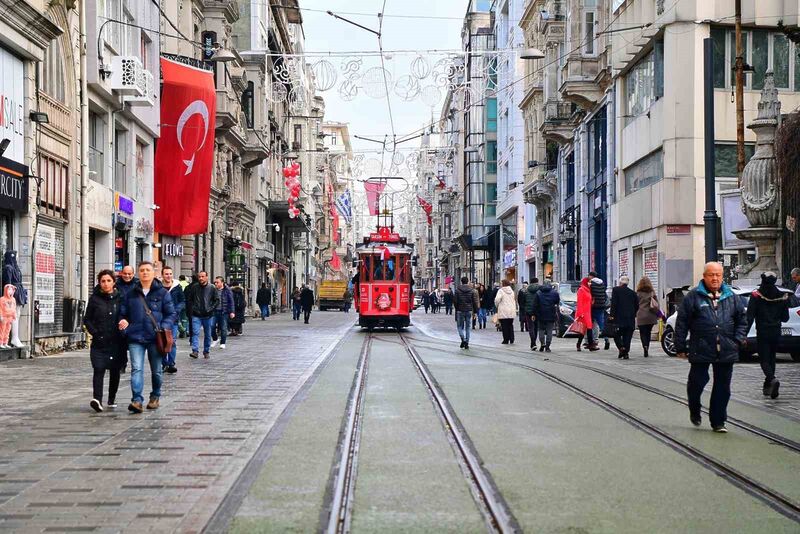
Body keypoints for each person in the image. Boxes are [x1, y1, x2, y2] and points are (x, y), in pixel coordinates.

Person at [675, 262, 747, 433]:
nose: (715, 278)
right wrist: (680, 346)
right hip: (701, 347)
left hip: (726, 348)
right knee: (696, 383)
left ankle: (718, 421)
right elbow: (682, 322)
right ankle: (694, 406)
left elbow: (742, 321)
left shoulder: (732, 296)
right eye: (711, 275)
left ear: (722, 276)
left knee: (723, 387)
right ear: (704, 276)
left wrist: (737, 340)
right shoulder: (693, 296)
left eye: (718, 275)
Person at [118, 261, 176, 413]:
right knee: (136, 368)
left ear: (153, 273)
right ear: (138, 273)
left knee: (156, 370)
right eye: (142, 270)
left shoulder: (162, 293)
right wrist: (123, 321)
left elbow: (171, 313)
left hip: (154, 337)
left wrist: (164, 326)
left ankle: (155, 396)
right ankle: (137, 400)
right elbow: (123, 312)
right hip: (135, 336)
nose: (144, 273)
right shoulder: (131, 294)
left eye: (148, 270)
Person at [83, 270, 124, 412]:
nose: (106, 284)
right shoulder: (95, 299)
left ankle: (111, 398)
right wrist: (94, 332)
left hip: (117, 341)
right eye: (103, 281)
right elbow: (87, 319)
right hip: (99, 341)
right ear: (99, 283)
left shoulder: (121, 298)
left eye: (108, 281)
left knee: (115, 371)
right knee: (98, 368)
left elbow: (126, 315)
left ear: (113, 282)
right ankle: (97, 399)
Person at [746, 272, 791, 399]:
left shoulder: (756, 296)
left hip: (762, 331)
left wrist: (744, 335)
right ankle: (768, 386)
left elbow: (749, 317)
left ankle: (772, 379)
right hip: (776, 331)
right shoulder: (782, 296)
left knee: (764, 359)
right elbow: (785, 318)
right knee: (772, 357)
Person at [188, 271, 218, 359]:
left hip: (208, 315)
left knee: (208, 334)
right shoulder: (194, 287)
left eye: (203, 276)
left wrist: (211, 309)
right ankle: (195, 351)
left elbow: (216, 300)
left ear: (207, 277)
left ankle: (206, 351)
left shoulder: (212, 287)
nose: (201, 278)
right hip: (196, 314)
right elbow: (190, 299)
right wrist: (192, 309)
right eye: (199, 277)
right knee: (195, 332)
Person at [161, 266, 184, 374]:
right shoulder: (158, 287)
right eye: (166, 274)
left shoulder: (177, 287)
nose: (168, 276)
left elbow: (182, 301)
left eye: (170, 273)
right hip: (160, 319)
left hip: (173, 319)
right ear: (162, 275)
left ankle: (171, 363)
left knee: (172, 341)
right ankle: (164, 363)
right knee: (161, 342)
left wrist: (177, 310)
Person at [610, 276, 638, 359]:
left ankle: (621, 347)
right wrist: (633, 314)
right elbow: (637, 305)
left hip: (619, 318)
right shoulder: (633, 293)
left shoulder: (616, 290)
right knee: (628, 336)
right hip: (630, 318)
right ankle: (626, 352)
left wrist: (612, 315)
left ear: (620, 282)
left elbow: (614, 304)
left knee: (616, 334)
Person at [531, 280, 560, 352]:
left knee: (541, 329)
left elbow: (535, 305)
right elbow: (557, 301)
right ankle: (547, 346)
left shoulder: (538, 293)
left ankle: (542, 343)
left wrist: (533, 314)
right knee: (549, 330)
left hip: (540, 314)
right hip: (551, 313)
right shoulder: (554, 292)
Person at [636, 276, 660, 358]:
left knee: (642, 333)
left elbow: (635, 304)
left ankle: (644, 346)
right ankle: (647, 347)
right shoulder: (652, 292)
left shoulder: (638, 293)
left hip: (641, 315)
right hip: (651, 315)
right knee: (648, 332)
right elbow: (656, 304)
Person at [453, 276, 480, 349]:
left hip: (460, 310)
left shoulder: (457, 290)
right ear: (467, 282)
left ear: (461, 282)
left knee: (459, 326)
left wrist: (457, 308)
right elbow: (474, 301)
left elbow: (455, 301)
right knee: (468, 327)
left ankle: (463, 339)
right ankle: (467, 342)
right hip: (469, 310)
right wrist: (475, 311)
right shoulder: (471, 290)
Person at [575, 277, 597, 351]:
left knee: (587, 328)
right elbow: (579, 302)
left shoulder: (588, 290)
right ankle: (585, 344)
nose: (590, 283)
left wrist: (592, 302)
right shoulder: (581, 290)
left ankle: (587, 344)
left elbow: (588, 301)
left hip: (588, 311)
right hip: (583, 312)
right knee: (585, 329)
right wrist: (580, 313)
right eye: (589, 282)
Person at [211, 277, 235, 348]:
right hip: (214, 311)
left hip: (224, 312)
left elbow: (231, 301)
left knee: (223, 328)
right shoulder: (213, 290)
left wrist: (232, 312)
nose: (215, 283)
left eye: (217, 282)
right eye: (215, 282)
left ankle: (223, 343)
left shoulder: (227, 290)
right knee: (211, 326)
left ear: (222, 283)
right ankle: (215, 339)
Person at [589, 272, 609, 350]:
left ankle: (592, 341)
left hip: (593, 307)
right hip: (601, 306)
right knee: (601, 324)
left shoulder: (591, 284)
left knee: (591, 324)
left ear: (591, 276)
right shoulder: (602, 284)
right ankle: (606, 339)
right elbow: (604, 295)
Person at [495, 280, 517, 345]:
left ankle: (506, 339)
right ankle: (512, 338)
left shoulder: (501, 291)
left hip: (503, 310)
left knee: (504, 326)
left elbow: (497, 299)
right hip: (511, 310)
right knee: (510, 324)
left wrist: (497, 305)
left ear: (503, 284)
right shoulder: (512, 291)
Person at [523, 278, 541, 348]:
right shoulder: (540, 290)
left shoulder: (526, 291)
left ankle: (533, 343)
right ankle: (534, 342)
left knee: (531, 327)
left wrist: (525, 308)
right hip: (537, 311)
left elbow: (523, 301)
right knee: (536, 327)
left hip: (528, 311)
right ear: (537, 282)